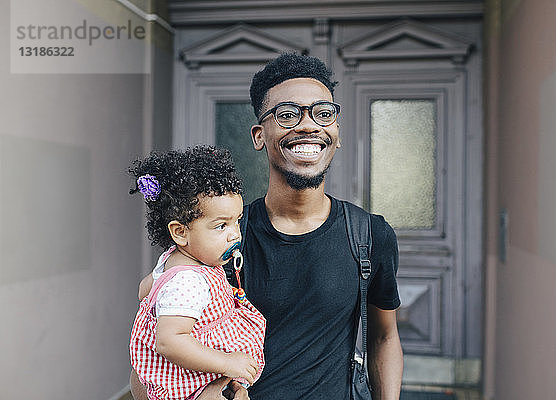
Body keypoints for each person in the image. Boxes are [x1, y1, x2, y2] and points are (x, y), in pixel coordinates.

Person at [131, 53, 403, 400]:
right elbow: (154, 338)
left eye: (323, 113)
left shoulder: (370, 235)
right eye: (288, 114)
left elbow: (384, 337)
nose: (308, 125)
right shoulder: (221, 235)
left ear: (336, 133)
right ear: (259, 135)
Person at [128, 145, 266, 400]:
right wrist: (228, 363)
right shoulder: (188, 281)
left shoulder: (173, 260)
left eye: (237, 220)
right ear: (180, 232)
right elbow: (169, 341)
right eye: (221, 225)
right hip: (188, 386)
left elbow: (143, 291)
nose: (235, 233)